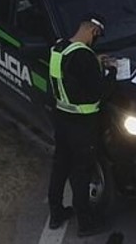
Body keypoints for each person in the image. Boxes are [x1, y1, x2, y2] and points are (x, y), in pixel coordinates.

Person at [47, 15, 112, 236]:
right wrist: (110, 73)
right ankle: (86, 224)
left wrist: (95, 61)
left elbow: (69, 77)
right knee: (81, 172)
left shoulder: (59, 49)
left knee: (60, 166)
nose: (95, 43)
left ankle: (56, 213)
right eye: (97, 37)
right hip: (82, 125)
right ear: (93, 31)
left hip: (61, 118)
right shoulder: (84, 56)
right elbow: (99, 91)